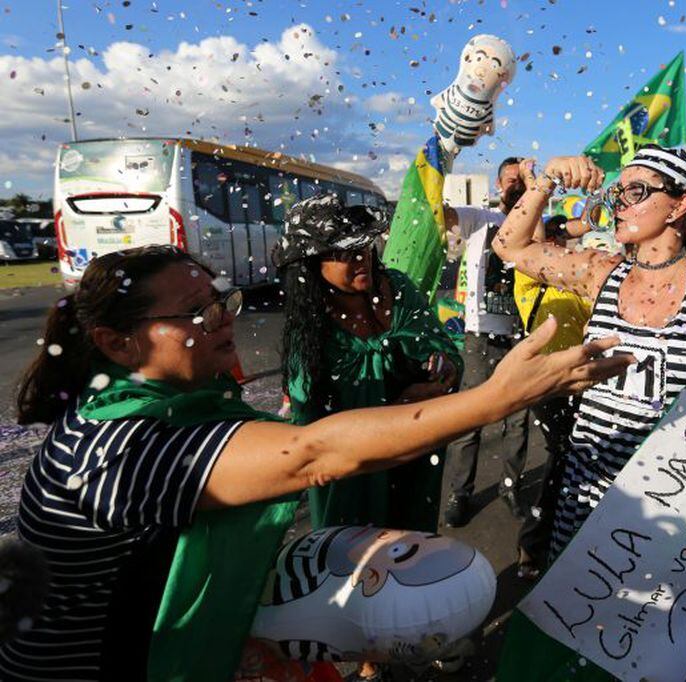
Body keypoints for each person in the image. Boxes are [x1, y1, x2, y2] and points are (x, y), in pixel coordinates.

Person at [2, 245, 631, 681]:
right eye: (195, 314)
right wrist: (497, 398)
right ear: (117, 342)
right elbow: (313, 453)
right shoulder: (117, 446)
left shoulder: (171, 407)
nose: (221, 320)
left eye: (220, 302)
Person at [491, 146, 686, 558]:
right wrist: (547, 181)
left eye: (634, 192)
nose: (618, 204)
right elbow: (509, 246)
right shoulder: (602, 273)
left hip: (674, 503)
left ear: (678, 205)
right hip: (586, 490)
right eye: (617, 194)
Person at [277, 195, 462, 533]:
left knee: (411, 552)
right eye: (345, 253)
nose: (361, 258)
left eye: (364, 246)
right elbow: (314, 429)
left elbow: (442, 347)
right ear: (311, 264)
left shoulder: (399, 288)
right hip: (352, 476)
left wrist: (444, 371)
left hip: (414, 461)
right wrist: (397, 408)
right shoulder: (310, 331)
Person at [441, 156, 534, 527]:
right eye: (511, 181)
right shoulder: (481, 219)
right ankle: (459, 493)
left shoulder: (536, 223)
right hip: (481, 333)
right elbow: (442, 214)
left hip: (522, 334)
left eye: (522, 181)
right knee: (470, 418)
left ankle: (510, 487)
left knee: (519, 420)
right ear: (498, 186)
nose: (516, 186)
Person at [511, 214, 592, 580]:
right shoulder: (529, 277)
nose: (557, 246)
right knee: (562, 459)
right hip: (545, 383)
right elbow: (526, 239)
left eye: (561, 240)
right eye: (552, 239)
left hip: (582, 382)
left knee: (579, 458)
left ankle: (565, 539)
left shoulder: (578, 283)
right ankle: (533, 543)